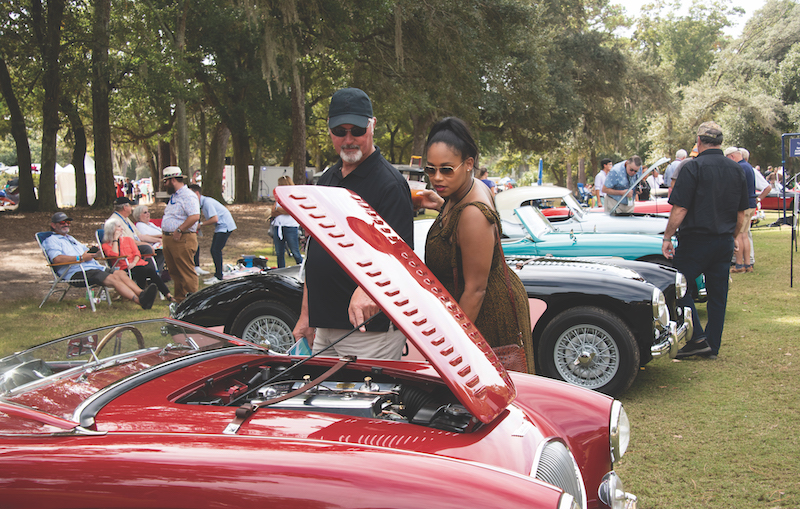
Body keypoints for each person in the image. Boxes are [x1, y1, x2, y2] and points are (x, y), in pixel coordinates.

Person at [292, 87, 414, 360]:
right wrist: (306, 315)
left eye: (357, 130)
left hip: (369, 332)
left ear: (372, 126)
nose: (349, 139)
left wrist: (368, 288)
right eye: (340, 131)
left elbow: (401, 259)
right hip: (325, 327)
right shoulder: (327, 179)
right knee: (318, 400)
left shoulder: (390, 185)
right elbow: (316, 252)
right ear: (329, 131)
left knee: (362, 402)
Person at [414, 117, 534, 373]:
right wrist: (439, 204)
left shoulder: (473, 214)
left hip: (484, 316)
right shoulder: (463, 191)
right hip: (477, 308)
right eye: (430, 169)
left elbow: (475, 290)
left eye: (446, 169)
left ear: (469, 164)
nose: (436, 177)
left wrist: (448, 347)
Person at [662, 121, 748, 360]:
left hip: (695, 239)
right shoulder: (737, 169)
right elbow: (741, 213)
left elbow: (680, 208)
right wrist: (732, 236)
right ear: (721, 143)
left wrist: (667, 236)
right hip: (723, 240)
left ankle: (698, 338)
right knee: (718, 294)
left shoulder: (692, 167)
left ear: (698, 142)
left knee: (679, 286)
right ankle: (712, 343)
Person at [42, 212, 158, 309]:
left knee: (120, 273)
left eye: (68, 222)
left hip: (93, 267)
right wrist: (81, 258)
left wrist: (93, 252)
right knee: (113, 278)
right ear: (53, 225)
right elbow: (57, 259)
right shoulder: (51, 240)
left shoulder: (71, 238)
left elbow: (86, 252)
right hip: (76, 272)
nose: (66, 224)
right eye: (62, 222)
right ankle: (140, 301)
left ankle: (142, 294)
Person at [101, 222, 174, 302]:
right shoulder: (106, 245)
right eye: (118, 226)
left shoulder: (128, 240)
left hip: (136, 263)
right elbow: (114, 254)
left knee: (150, 270)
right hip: (122, 267)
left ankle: (168, 295)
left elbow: (137, 253)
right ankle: (141, 293)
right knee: (142, 269)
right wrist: (115, 239)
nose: (122, 228)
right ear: (111, 230)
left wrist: (134, 263)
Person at [160, 166, 200, 303]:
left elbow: (194, 216)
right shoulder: (175, 196)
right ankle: (180, 299)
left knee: (186, 271)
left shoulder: (187, 195)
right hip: (170, 238)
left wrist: (179, 230)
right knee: (175, 272)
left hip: (182, 238)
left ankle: (192, 302)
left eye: (165, 182)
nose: (164, 185)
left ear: (172, 180)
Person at [189, 184, 237, 285]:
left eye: (190, 194)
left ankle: (219, 277)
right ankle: (217, 275)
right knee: (214, 250)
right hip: (220, 227)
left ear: (197, 194)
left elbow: (215, 219)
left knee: (215, 250)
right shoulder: (203, 203)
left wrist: (201, 225)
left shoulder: (207, 202)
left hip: (225, 226)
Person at [725, 147, 756, 273]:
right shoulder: (748, 166)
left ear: (732, 156)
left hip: (743, 205)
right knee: (745, 235)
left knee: (738, 234)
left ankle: (739, 265)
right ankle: (748, 264)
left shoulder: (739, 168)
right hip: (751, 203)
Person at [269, 176, 303, 268]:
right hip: (278, 226)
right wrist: (282, 210)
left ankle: (302, 269)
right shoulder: (278, 197)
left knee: (295, 251)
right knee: (279, 253)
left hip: (290, 227)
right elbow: (273, 212)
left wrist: (279, 210)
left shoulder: (293, 196)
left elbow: (291, 210)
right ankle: (281, 270)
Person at [131, 204, 166, 274]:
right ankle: (158, 273)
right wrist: (161, 236)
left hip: (161, 242)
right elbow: (146, 236)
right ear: (138, 215)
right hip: (152, 246)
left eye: (148, 212)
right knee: (164, 250)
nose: (148, 214)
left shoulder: (150, 224)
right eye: (145, 212)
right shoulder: (139, 225)